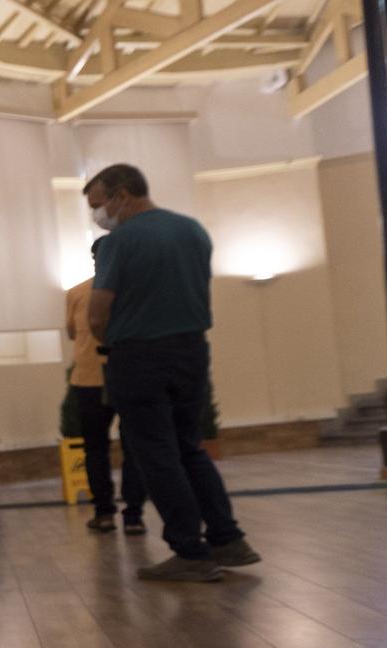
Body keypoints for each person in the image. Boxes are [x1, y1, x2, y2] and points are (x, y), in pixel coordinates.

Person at [86, 163, 260, 582]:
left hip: (139, 358)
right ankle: (227, 539)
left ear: (121, 195)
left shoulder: (118, 242)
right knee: (189, 448)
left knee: (155, 454)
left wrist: (111, 340)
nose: (98, 215)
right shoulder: (193, 230)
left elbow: (97, 312)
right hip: (191, 354)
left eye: (98, 204)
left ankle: (190, 551)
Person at [66, 241, 146, 535]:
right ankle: (134, 516)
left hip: (89, 380)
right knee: (134, 447)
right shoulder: (137, 291)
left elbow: (72, 333)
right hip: (130, 376)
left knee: (95, 448)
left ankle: (104, 514)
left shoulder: (77, 293)